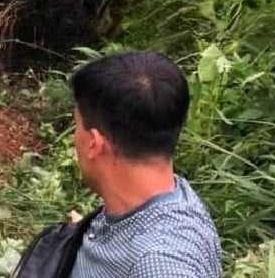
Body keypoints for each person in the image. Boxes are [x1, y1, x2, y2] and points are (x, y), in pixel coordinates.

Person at [67, 51, 222, 278]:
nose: (74, 137)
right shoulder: (161, 198)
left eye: (76, 125)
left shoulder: (160, 264)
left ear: (94, 143)